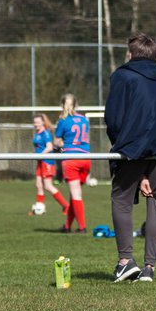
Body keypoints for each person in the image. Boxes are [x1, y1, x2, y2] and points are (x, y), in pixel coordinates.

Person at [105, 32, 156, 283]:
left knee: (121, 197)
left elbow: (114, 118)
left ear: (131, 54)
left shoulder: (122, 75)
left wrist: (120, 146)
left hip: (135, 144)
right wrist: (144, 174)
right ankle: (149, 268)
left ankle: (125, 261)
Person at [55, 93, 90, 233]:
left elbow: (57, 142)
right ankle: (68, 226)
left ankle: (82, 227)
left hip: (71, 159)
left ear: (62, 105)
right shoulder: (84, 119)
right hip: (87, 159)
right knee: (74, 194)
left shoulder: (63, 120)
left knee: (76, 194)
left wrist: (61, 146)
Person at [30, 113, 68, 216]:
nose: (36, 124)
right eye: (34, 122)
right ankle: (39, 208)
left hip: (47, 161)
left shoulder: (45, 133)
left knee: (48, 186)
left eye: (38, 122)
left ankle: (65, 206)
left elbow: (49, 147)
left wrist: (40, 155)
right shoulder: (38, 133)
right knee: (38, 185)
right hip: (40, 161)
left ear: (43, 122)